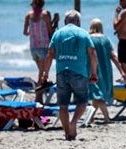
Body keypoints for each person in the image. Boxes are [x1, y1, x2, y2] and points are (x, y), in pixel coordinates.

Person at [42, 10, 98, 141]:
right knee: (82, 101)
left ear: (64, 21)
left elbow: (49, 54)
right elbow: (92, 53)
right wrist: (94, 72)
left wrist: (45, 74)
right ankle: (73, 123)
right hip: (79, 72)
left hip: (61, 72)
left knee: (63, 105)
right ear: (78, 22)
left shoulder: (58, 33)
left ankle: (68, 133)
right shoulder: (84, 34)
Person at [88, 18, 126, 123]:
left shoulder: (88, 39)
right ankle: (98, 118)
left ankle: (97, 118)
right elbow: (113, 57)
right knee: (99, 95)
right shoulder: (106, 39)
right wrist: (121, 71)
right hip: (106, 70)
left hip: (92, 69)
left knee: (97, 94)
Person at [23, 0, 53, 84]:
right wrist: (55, 23)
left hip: (33, 47)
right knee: (42, 73)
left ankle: (40, 90)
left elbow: (25, 32)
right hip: (43, 46)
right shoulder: (45, 15)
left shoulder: (28, 15)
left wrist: (33, 32)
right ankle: (38, 93)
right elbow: (50, 31)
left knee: (41, 71)